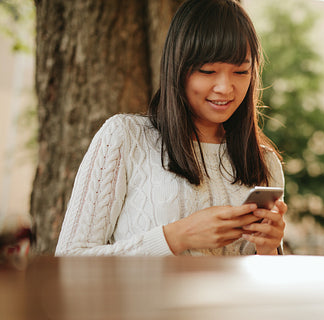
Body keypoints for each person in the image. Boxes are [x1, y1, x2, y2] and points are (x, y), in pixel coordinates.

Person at [55, 0, 286, 256]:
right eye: (208, 71)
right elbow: (68, 259)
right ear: (177, 68)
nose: (225, 87)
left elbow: (266, 286)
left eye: (241, 72)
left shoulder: (264, 162)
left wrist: (269, 248)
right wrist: (176, 237)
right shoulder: (125, 137)